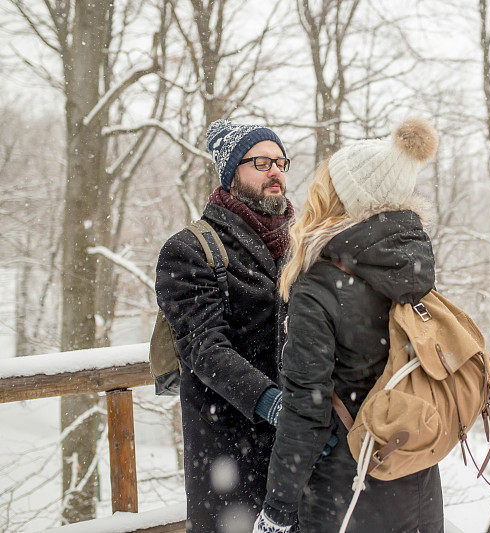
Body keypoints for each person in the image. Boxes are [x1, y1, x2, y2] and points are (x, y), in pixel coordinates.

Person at [253, 118, 445, 532]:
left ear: (345, 197)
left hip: (345, 488)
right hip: (414, 473)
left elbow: (307, 408)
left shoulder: (320, 284)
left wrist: (278, 508)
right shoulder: (409, 267)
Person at [156, 119, 294, 532]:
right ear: (232, 174)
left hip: (297, 458)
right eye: (261, 162)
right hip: (228, 454)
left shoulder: (303, 247)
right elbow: (203, 347)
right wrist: (269, 401)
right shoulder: (191, 249)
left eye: (281, 162)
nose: (276, 171)